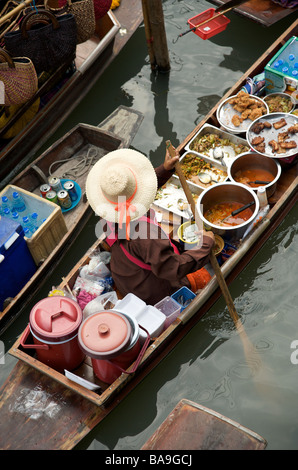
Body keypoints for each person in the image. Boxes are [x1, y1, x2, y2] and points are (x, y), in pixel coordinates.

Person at [86, 147, 215, 305]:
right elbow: (173, 269)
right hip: (149, 292)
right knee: (203, 276)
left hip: (125, 276)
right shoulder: (146, 234)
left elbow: (141, 187)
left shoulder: (107, 210)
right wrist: (206, 245)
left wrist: (165, 169)